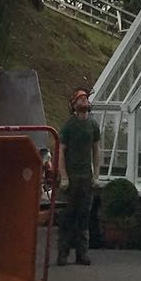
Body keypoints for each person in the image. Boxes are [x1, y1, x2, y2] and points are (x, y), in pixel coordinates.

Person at [57, 87, 101, 267]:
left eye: (86, 99)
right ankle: (63, 254)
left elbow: (96, 151)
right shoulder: (69, 126)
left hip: (86, 178)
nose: (84, 101)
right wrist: (64, 176)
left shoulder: (93, 125)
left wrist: (96, 174)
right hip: (72, 179)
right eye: (80, 99)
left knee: (84, 217)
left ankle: (82, 254)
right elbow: (61, 153)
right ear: (74, 105)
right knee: (68, 217)